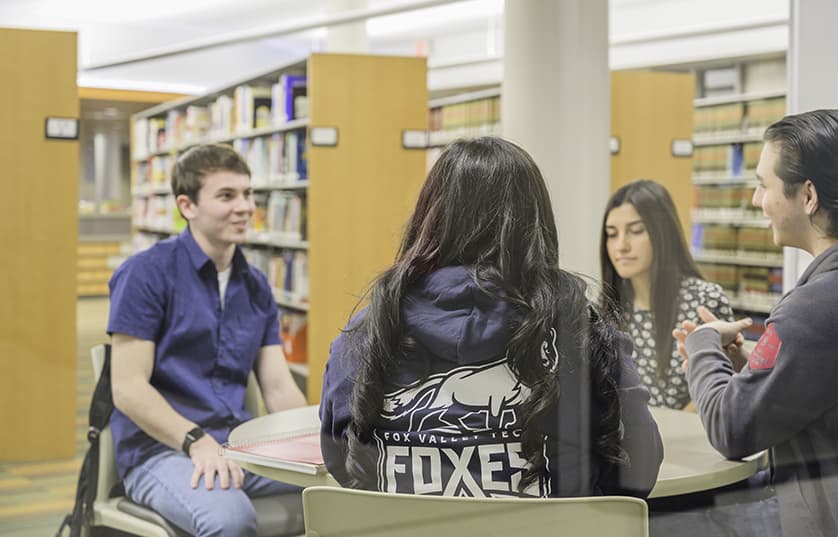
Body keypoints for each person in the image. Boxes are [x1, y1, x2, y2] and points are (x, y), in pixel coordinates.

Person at [319, 137, 663, 498]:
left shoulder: (364, 338)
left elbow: (345, 466)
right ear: (536, 226)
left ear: (428, 221)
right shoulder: (581, 333)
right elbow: (637, 472)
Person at [108, 144, 307, 536]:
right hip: (163, 450)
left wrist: (312, 442)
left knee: (353, 479)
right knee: (230, 519)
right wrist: (197, 442)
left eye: (248, 194)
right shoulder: (146, 274)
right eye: (227, 196)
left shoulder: (255, 286)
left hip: (236, 446)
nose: (245, 207)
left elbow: (280, 387)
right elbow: (128, 389)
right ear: (187, 206)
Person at [675, 109, 838, 537]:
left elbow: (733, 427)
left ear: (807, 196)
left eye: (764, 185)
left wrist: (704, 347)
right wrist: (754, 362)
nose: (755, 200)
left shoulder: (813, 308)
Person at [599, 179, 736, 410]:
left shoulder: (705, 301)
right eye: (612, 234)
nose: (621, 245)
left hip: (693, 440)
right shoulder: (603, 311)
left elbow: (723, 384)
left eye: (635, 231)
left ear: (662, 233)